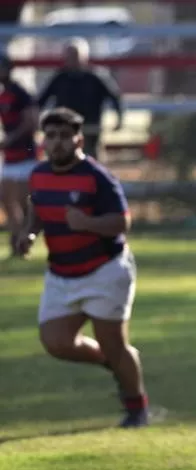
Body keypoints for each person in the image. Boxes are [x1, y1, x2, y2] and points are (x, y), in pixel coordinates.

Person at [15, 108, 148, 428]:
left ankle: (136, 408)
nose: (57, 142)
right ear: (43, 140)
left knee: (115, 343)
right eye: (51, 136)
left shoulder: (97, 177)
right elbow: (37, 207)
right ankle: (114, 362)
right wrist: (30, 232)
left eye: (64, 136)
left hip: (105, 271)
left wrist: (86, 223)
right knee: (56, 341)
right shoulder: (39, 174)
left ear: (78, 139)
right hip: (62, 273)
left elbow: (122, 222)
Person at [37, 38, 124, 160]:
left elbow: (115, 97)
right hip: (64, 130)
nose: (71, 59)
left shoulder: (96, 77)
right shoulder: (60, 78)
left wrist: (119, 118)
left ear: (84, 56)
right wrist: (37, 119)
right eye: (69, 56)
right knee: (63, 160)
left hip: (90, 128)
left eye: (75, 55)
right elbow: (42, 100)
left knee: (90, 161)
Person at [0, 54, 40, 257]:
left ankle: (25, 241)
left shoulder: (20, 92)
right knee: (7, 198)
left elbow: (32, 121)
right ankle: (16, 238)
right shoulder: (3, 94)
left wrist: (11, 138)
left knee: (25, 202)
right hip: (10, 156)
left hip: (25, 155)